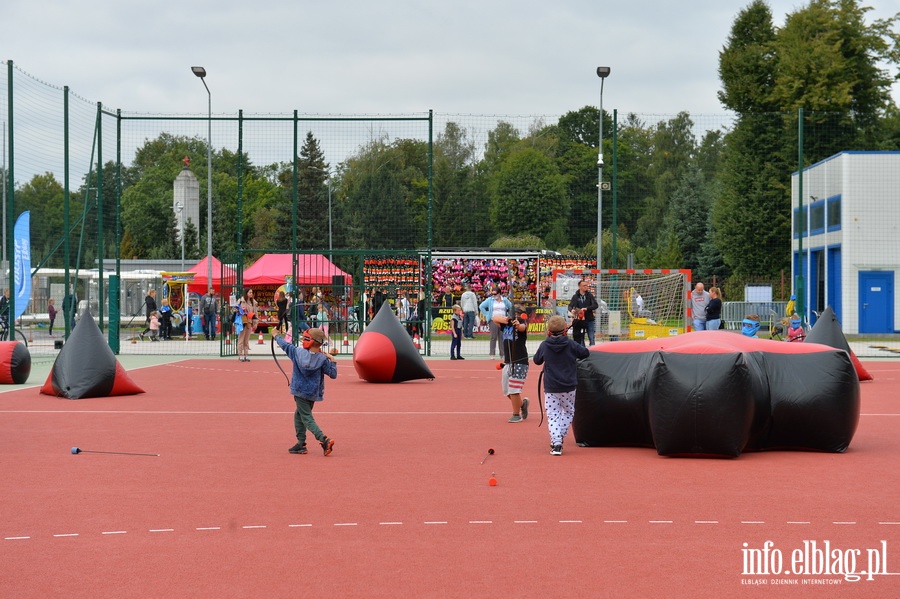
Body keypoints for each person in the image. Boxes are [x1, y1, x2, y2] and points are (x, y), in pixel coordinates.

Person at [274, 327, 337, 456]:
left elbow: (285, 345)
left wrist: (276, 335)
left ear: (308, 341)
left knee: (306, 417)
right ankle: (301, 444)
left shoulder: (297, 352)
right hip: (312, 393)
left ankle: (324, 439)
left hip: (299, 391)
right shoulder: (322, 359)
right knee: (299, 415)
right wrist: (333, 360)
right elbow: (333, 374)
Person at [533, 315, 590, 455]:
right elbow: (585, 353)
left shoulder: (545, 345)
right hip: (569, 386)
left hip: (551, 387)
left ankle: (556, 442)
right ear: (565, 331)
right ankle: (559, 437)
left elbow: (536, 360)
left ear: (548, 331)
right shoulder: (571, 344)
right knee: (569, 412)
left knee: (553, 415)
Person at [500, 304, 530, 423]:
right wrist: (506, 319)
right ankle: (522, 404)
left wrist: (518, 324)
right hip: (508, 362)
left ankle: (516, 414)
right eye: (514, 313)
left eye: (518, 313)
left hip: (519, 361)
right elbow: (494, 318)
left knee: (514, 390)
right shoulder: (506, 324)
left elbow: (523, 327)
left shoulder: (521, 324)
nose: (515, 315)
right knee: (506, 391)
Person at [479, 285, 512, 360]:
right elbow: (481, 306)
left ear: (499, 294)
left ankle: (502, 354)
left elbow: (510, 307)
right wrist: (487, 314)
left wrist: (508, 316)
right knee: (493, 337)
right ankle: (492, 354)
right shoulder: (490, 300)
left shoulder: (505, 300)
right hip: (493, 319)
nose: (493, 295)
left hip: (503, 320)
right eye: (492, 294)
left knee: (502, 337)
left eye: (495, 294)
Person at [568, 279, 599, 347]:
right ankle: (582, 350)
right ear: (580, 286)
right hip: (579, 319)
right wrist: (572, 310)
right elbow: (570, 306)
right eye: (584, 285)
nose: (586, 287)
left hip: (589, 318)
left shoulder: (590, 295)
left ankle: (593, 348)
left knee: (591, 335)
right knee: (580, 336)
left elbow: (595, 305)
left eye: (586, 285)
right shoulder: (575, 296)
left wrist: (587, 308)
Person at [237, 288, 259, 362]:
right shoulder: (241, 301)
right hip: (242, 322)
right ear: (246, 293)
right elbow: (237, 310)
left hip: (249, 322)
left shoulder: (253, 302)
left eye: (252, 292)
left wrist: (255, 323)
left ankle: (246, 355)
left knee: (246, 340)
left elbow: (255, 313)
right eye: (250, 292)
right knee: (241, 339)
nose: (251, 294)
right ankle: (240, 355)